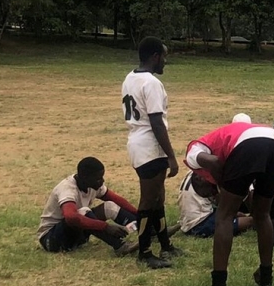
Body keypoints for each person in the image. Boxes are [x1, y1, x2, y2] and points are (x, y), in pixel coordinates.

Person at [186, 120, 274, 286]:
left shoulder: (193, 149)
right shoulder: (223, 137)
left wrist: (222, 185)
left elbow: (214, 162)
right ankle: (266, 282)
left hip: (248, 144)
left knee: (224, 217)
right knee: (262, 214)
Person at [121, 36, 181, 269]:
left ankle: (165, 244)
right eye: (164, 56)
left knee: (158, 197)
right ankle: (145, 252)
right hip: (150, 146)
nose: (165, 62)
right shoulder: (152, 83)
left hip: (136, 142)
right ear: (155, 57)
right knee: (148, 199)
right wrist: (171, 156)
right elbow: (156, 122)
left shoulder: (130, 78)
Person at [38, 157, 139, 256]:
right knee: (83, 212)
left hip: (75, 235)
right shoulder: (68, 189)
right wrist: (106, 227)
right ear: (85, 178)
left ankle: (146, 229)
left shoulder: (91, 185)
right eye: (98, 178)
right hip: (51, 239)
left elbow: (116, 199)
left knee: (109, 206)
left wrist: (140, 215)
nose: (102, 181)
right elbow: (71, 218)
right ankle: (120, 246)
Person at [177, 166, 253, 238]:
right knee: (250, 221)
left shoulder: (197, 170)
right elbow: (222, 202)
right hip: (200, 223)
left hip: (193, 219)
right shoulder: (210, 175)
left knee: (238, 214)